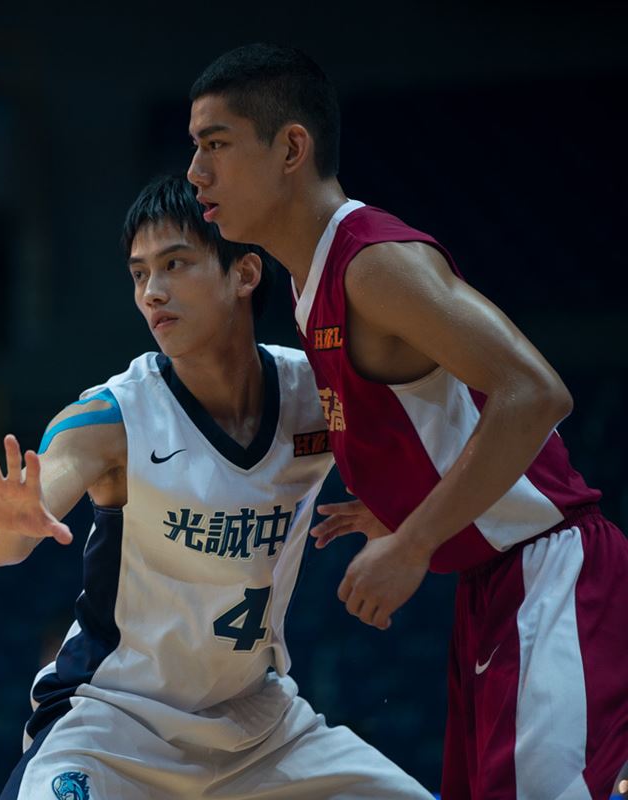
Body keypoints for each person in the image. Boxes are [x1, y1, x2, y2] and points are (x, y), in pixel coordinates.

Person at [186, 43, 628, 800]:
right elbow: (445, 410)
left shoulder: (374, 263)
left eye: (215, 145)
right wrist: (404, 498)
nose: (196, 172)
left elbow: (535, 394)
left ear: (291, 148)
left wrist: (416, 539)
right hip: (494, 587)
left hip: (550, 573)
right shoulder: (310, 280)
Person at [0, 175, 431, 800]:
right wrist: (10, 524)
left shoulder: (314, 395)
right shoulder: (112, 417)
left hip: (260, 726)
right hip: (114, 725)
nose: (152, 291)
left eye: (175, 264)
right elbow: (5, 543)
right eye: (139, 273)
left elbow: (433, 455)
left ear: (245, 273)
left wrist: (401, 518)